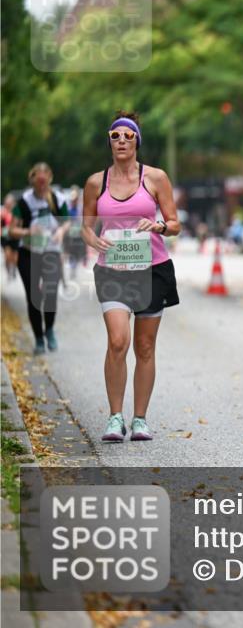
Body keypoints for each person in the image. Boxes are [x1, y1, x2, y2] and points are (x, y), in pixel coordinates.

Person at [81, 112, 181, 442]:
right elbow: (86, 226)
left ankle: (139, 419)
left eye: (128, 135)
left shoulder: (155, 178)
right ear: (109, 141)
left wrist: (158, 226)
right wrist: (92, 239)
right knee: (117, 341)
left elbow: (175, 224)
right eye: (115, 136)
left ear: (137, 141)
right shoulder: (97, 182)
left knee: (145, 347)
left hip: (152, 269)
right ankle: (114, 417)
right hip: (113, 270)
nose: (122, 141)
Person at [7, 163, 71, 354]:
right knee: (34, 297)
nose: (42, 185)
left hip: (51, 252)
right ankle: (39, 339)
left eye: (45, 181)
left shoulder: (58, 199)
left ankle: (49, 329)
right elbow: (12, 230)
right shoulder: (24, 202)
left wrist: (60, 231)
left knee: (50, 294)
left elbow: (67, 221)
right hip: (29, 253)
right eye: (38, 181)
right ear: (32, 180)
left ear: (50, 179)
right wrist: (28, 230)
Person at [63, 185, 88, 278]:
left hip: (80, 232)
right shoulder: (69, 207)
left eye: (76, 199)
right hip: (71, 232)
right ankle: (72, 265)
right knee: (71, 250)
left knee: (79, 249)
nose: (74, 200)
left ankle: (80, 260)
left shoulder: (81, 206)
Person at [1, 194, 18, 280]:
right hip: (4, 236)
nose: (8, 204)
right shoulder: (2, 212)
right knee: (7, 255)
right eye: (6, 202)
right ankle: (8, 272)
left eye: (9, 202)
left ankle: (14, 269)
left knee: (15, 256)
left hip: (14, 236)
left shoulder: (16, 212)